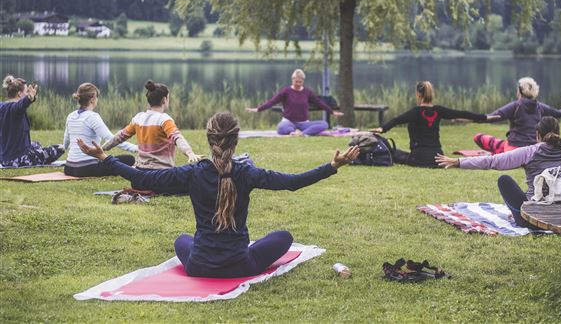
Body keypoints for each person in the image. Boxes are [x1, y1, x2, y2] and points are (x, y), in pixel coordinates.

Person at [77, 112, 360, 277]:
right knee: (283, 236)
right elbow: (293, 182)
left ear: (210, 140)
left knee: (181, 240)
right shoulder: (246, 172)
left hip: (198, 266)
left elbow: (140, 177)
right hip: (240, 265)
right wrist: (332, 166)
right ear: (236, 140)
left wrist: (105, 157)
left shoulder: (193, 172)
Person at [436, 116, 561, 227]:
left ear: (537, 135)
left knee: (504, 179)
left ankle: (517, 214)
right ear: (558, 133)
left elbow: (492, 161)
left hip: (534, 219)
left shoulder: (529, 152)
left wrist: (459, 162)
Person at [369, 81, 494, 167]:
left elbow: (396, 120)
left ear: (418, 94)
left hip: (418, 158)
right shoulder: (438, 111)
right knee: (400, 153)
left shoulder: (415, 112)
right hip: (437, 158)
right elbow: (462, 113)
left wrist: (382, 129)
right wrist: (484, 117)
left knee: (393, 153)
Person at [473, 76, 561, 154]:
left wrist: (469, 118)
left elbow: (493, 117)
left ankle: (500, 151)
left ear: (520, 91)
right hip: (533, 150)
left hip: (513, 149)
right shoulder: (540, 107)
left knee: (478, 137)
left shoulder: (515, 106)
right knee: (502, 145)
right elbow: (557, 113)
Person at [102, 80, 201, 171]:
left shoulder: (138, 118)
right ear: (164, 100)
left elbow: (120, 136)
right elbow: (177, 138)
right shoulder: (165, 120)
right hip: (161, 173)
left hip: (140, 172)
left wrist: (103, 148)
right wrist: (189, 152)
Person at [63, 83, 138, 177]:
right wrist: (135, 148)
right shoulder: (92, 116)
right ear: (93, 98)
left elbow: (66, 141)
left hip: (69, 167)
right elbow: (111, 139)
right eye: (97, 97)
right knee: (129, 159)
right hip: (86, 168)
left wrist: (63, 148)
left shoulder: (71, 116)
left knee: (114, 160)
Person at [245, 69, 343, 136]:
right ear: (292, 80)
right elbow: (272, 101)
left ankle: (302, 133)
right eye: (296, 81)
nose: (298, 84)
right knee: (281, 128)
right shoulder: (286, 91)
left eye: (300, 82)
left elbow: (319, 103)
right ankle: (296, 132)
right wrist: (257, 109)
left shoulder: (307, 92)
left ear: (303, 81)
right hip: (289, 122)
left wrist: (332, 112)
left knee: (324, 124)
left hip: (304, 124)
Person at [0, 75, 64, 167]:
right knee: (59, 148)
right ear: (19, 94)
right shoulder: (15, 109)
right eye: (26, 91)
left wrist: (30, 98)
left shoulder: (2, 106)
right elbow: (20, 105)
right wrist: (29, 98)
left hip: (4, 159)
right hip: (18, 160)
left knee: (35, 144)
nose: (28, 93)